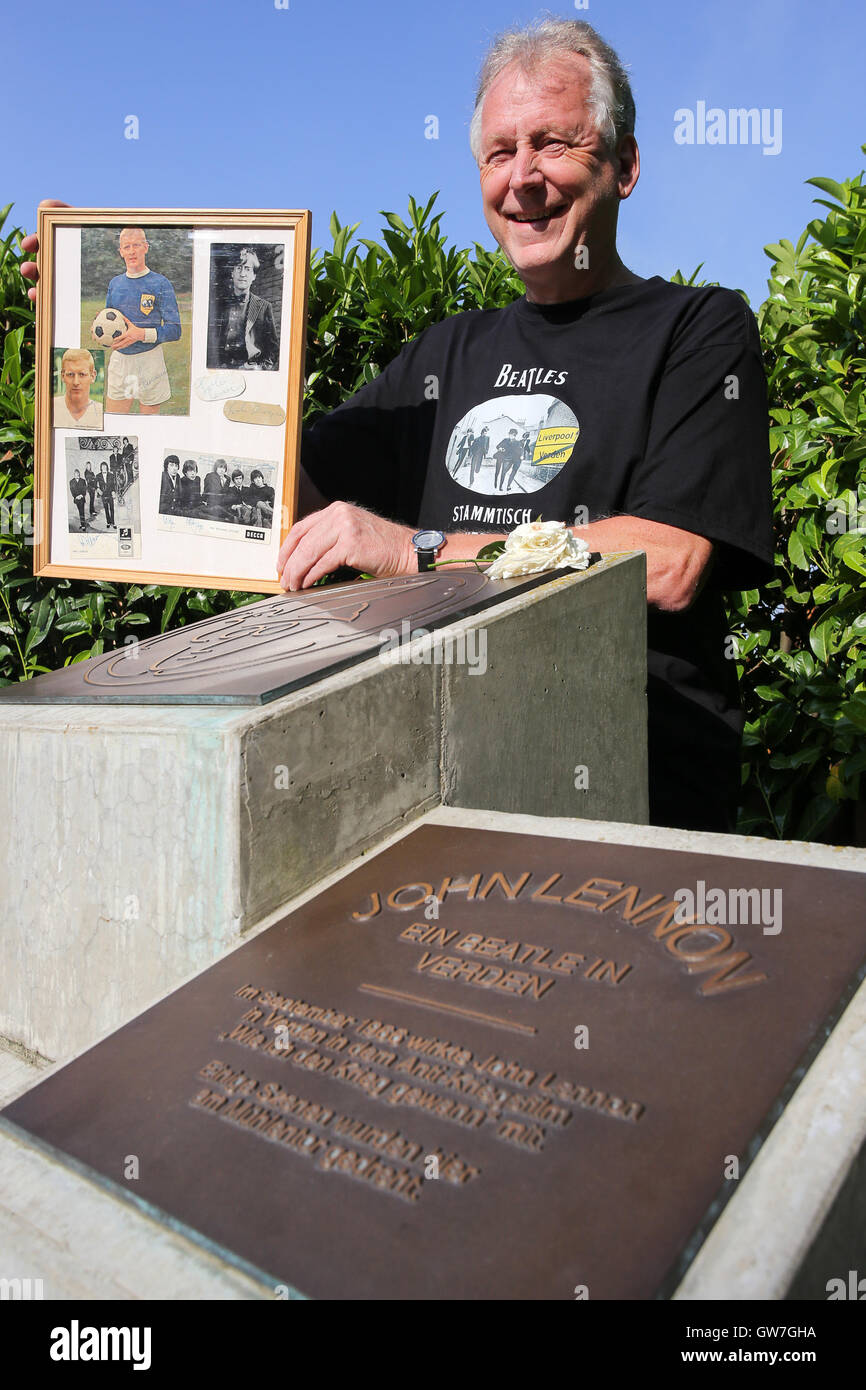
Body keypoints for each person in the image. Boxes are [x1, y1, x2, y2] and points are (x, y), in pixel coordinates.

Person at [272, 19, 774, 834]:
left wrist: (418, 552)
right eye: (500, 152)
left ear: (626, 166)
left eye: (555, 144)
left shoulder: (698, 331)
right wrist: (133, 359)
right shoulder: (444, 352)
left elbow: (669, 560)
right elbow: (277, 499)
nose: (524, 177)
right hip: (437, 790)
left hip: (634, 803)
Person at [101, 227, 181, 415]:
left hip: (150, 359)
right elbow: (108, 321)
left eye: (136, 245)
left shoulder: (160, 283)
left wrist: (141, 334)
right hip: (120, 361)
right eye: (126, 247)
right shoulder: (115, 283)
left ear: (145, 247)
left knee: (149, 426)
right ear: (121, 252)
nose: (131, 251)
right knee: (116, 422)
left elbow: (175, 330)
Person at [207, 247, 279, 371]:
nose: (242, 274)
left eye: (247, 269)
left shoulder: (264, 307)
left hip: (251, 372)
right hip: (221, 372)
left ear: (254, 276)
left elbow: (273, 351)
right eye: (238, 268)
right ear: (232, 273)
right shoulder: (218, 305)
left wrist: (260, 369)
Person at [54, 348, 102, 428]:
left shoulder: (101, 413)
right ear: (62, 376)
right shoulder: (50, 407)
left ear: (93, 376)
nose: (76, 382)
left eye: (82, 374)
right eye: (70, 374)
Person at [96, 461, 115, 529]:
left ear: (107, 467)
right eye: (102, 467)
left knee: (112, 508)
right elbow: (95, 485)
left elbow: (113, 485)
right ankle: (108, 522)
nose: (104, 468)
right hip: (103, 495)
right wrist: (98, 489)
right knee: (106, 509)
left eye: (105, 467)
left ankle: (113, 522)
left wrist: (113, 492)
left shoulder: (111, 475)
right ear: (101, 468)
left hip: (110, 494)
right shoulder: (98, 476)